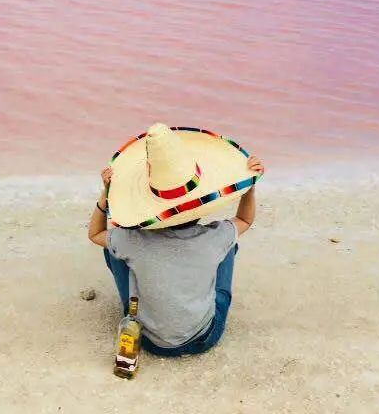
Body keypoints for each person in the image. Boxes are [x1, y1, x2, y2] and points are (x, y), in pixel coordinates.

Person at [88, 123, 265, 357]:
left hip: (147, 339)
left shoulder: (132, 239)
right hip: (205, 337)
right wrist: (249, 186)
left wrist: (105, 195)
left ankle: (137, 306)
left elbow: (95, 234)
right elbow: (244, 219)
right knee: (229, 246)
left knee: (113, 247)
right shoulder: (213, 236)